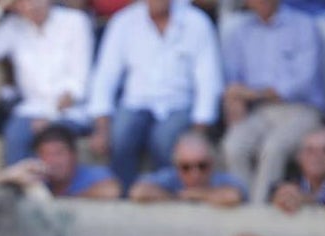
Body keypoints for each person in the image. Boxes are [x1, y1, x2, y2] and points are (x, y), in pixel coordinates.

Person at [87, 0, 224, 192]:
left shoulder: (196, 22)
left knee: (164, 139)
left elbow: (208, 79)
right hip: (135, 102)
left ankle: (167, 196)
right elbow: (106, 75)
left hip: (179, 104)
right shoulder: (124, 21)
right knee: (121, 135)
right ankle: (123, 198)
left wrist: (200, 128)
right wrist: (101, 126)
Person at [220, 0, 325, 203]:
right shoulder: (239, 31)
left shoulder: (304, 25)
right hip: (261, 112)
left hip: (302, 109)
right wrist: (234, 101)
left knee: (274, 147)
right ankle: (245, 206)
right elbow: (233, 82)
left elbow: (302, 83)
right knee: (233, 145)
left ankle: (259, 214)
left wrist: (252, 94)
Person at [0, 0, 96, 165]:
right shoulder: (14, 26)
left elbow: (78, 83)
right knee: (15, 136)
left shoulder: (75, 21)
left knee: (53, 140)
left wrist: (50, 116)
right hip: (32, 109)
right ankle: (22, 189)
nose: (31, 6)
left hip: (71, 111)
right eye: (23, 2)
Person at [0, 122, 122, 198]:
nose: (54, 161)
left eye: (59, 153)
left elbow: (112, 190)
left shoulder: (91, 175)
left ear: (73, 155)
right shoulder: (35, 176)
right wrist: (11, 174)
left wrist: (58, 202)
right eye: (47, 154)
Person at [128, 130, 248, 205]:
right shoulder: (170, 178)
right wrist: (176, 198)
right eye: (186, 167)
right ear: (176, 166)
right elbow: (138, 192)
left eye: (202, 166)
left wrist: (199, 195)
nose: (195, 173)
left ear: (212, 164)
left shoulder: (221, 179)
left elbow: (233, 196)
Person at [269, 126, 325, 212]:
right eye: (310, 151)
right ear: (299, 157)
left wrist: (309, 199)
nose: (318, 156)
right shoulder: (284, 188)